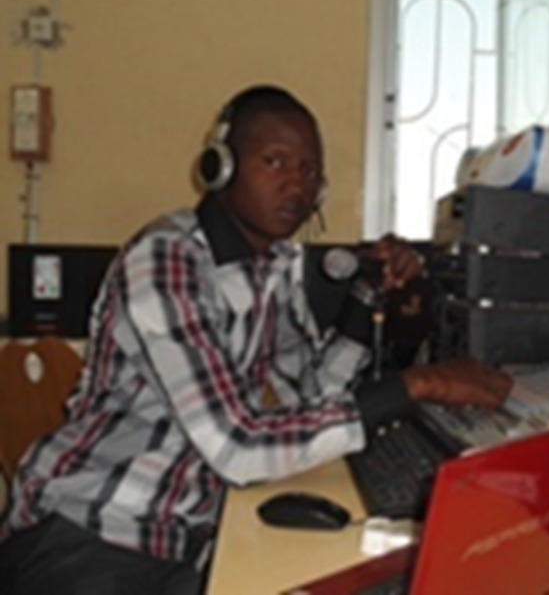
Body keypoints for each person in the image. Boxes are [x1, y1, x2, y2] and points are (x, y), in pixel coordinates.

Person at [0, 85, 512, 595]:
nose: (296, 184)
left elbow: (308, 398)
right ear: (220, 166)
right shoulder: (168, 259)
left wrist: (366, 296)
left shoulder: (270, 269)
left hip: (182, 536)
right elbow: (236, 445)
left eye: (310, 171)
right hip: (90, 532)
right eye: (275, 161)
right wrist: (419, 384)